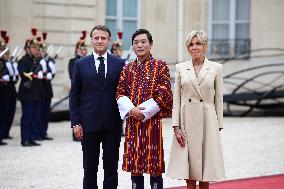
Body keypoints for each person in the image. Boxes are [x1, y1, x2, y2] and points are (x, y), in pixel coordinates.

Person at [167, 31, 225, 189]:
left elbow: (218, 98)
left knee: (205, 172)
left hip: (208, 120)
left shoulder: (216, 68)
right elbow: (177, 99)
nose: (194, 47)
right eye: (191, 44)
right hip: (186, 120)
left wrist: (218, 125)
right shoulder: (180, 68)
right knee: (189, 171)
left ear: (205, 46)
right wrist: (175, 125)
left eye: (198, 43)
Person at [69, 25, 125, 189]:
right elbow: (75, 96)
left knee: (111, 169)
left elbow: (124, 93)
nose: (100, 41)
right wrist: (75, 122)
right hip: (88, 124)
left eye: (103, 38)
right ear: (91, 40)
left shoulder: (119, 63)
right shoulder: (80, 64)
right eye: (97, 38)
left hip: (112, 124)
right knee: (90, 170)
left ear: (109, 40)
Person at [116, 29, 173, 189]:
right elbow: (120, 92)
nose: (140, 45)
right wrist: (131, 110)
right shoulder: (127, 69)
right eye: (136, 42)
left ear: (151, 44)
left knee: (154, 164)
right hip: (133, 123)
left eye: (143, 42)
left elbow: (165, 92)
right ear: (132, 47)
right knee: (135, 165)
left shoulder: (160, 66)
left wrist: (145, 113)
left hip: (152, 123)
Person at [17, 28, 44, 147]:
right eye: (33, 48)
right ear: (27, 49)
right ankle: (25, 139)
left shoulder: (36, 60)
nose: (36, 50)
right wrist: (32, 75)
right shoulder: (23, 60)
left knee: (34, 116)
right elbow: (22, 73)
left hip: (35, 92)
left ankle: (32, 138)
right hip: (27, 92)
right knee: (27, 116)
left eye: (36, 48)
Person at [68, 31, 88, 142]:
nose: (84, 51)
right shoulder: (73, 61)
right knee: (76, 112)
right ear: (77, 50)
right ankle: (75, 134)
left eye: (85, 49)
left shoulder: (87, 61)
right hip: (77, 90)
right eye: (82, 49)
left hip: (86, 91)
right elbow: (72, 75)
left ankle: (83, 132)